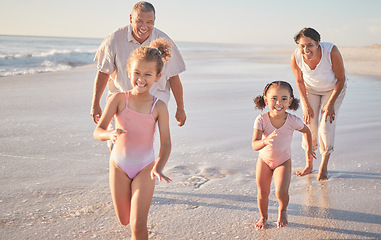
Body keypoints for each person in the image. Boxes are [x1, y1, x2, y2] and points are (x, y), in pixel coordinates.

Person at [93, 38, 172, 239]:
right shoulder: (118, 99)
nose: (141, 78)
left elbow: (166, 143)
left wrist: (159, 166)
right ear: (129, 72)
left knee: (137, 225)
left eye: (148, 74)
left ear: (157, 76)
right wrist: (109, 134)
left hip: (146, 167)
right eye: (137, 73)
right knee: (124, 219)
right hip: (119, 165)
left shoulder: (159, 107)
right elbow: (98, 130)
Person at [91, 1, 186, 130]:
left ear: (154, 21)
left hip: (151, 103)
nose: (144, 26)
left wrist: (180, 108)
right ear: (131, 18)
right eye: (139, 21)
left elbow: (174, 77)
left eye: (149, 22)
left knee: (142, 144)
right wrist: (95, 103)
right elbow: (103, 72)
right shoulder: (114, 40)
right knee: (116, 142)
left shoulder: (163, 41)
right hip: (120, 101)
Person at [252, 81, 315, 229]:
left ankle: (283, 210)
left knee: (281, 191)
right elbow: (254, 144)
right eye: (274, 98)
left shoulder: (293, 121)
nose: (278, 102)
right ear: (266, 99)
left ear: (290, 101)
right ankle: (263, 217)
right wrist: (265, 141)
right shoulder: (261, 119)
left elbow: (306, 131)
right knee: (263, 192)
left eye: (284, 98)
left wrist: (309, 148)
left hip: (283, 161)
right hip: (264, 160)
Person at [290, 27, 347, 181]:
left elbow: (341, 79)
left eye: (309, 45)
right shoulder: (296, 56)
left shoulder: (331, 52)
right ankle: (309, 165)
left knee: (325, 126)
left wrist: (330, 105)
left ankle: (323, 166)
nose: (305, 49)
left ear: (318, 43)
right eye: (302, 46)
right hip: (310, 90)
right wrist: (306, 105)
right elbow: (299, 81)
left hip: (333, 89)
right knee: (309, 125)